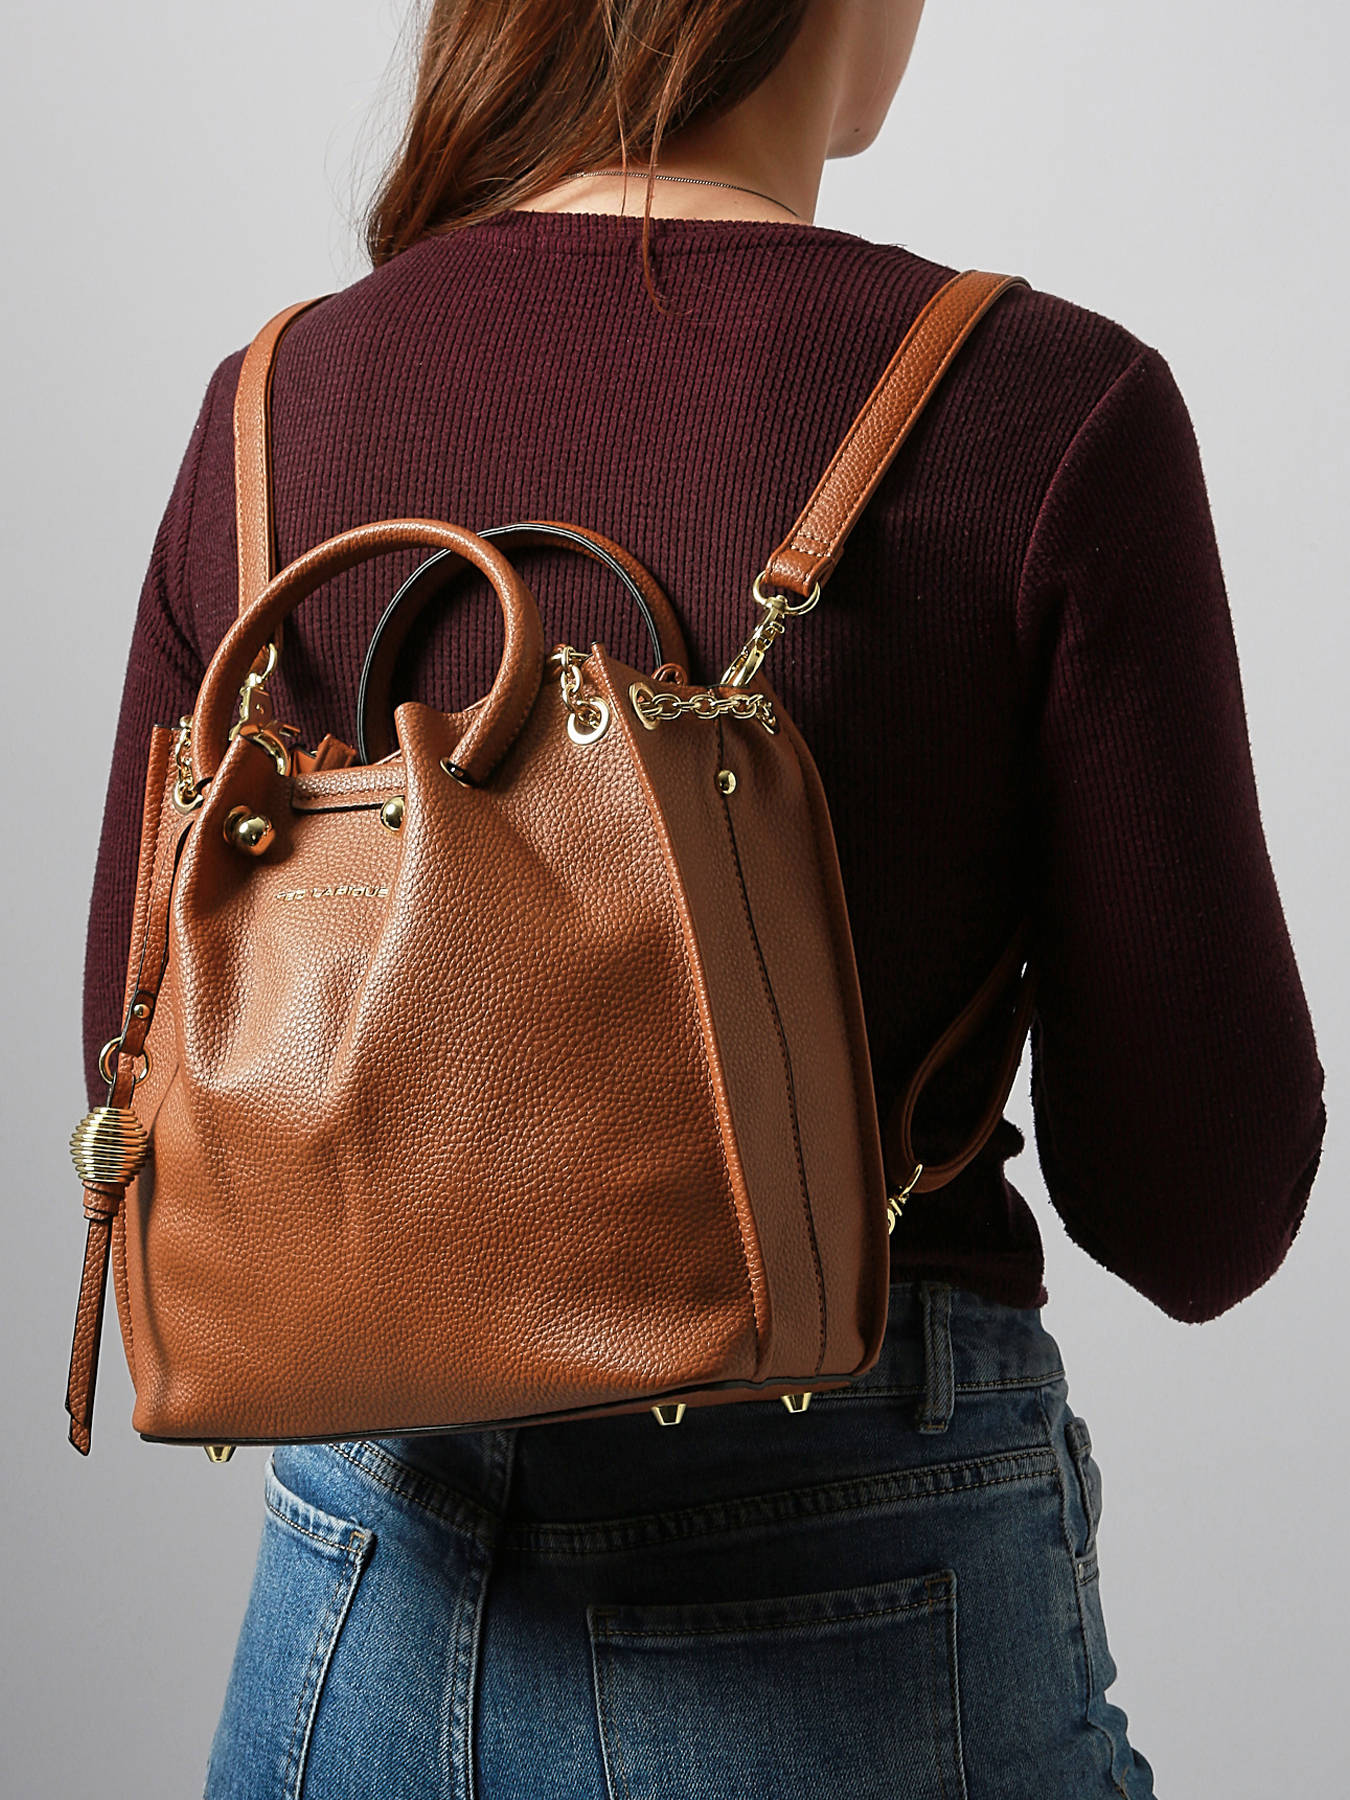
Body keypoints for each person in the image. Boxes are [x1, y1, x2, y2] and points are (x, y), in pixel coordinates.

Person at [81, 2, 1326, 1794]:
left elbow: (140, 1093)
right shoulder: (1039, 404)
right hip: (847, 1602)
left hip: (344, 1612)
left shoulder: (271, 404)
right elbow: (1196, 1212)